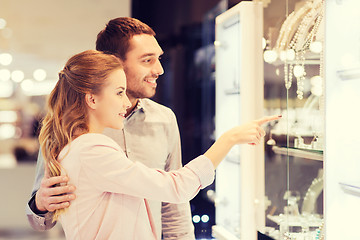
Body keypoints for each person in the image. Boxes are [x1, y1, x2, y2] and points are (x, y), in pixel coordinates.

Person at [38, 49, 280, 239]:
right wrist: (229, 139)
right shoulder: (92, 149)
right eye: (119, 92)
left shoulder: (78, 147)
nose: (125, 102)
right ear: (92, 99)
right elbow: (176, 187)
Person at [27, 17, 196, 239]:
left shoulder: (164, 119)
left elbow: (174, 209)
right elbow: (40, 220)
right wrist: (40, 203)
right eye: (147, 60)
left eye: (159, 59)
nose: (160, 70)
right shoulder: (70, 126)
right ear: (114, 62)